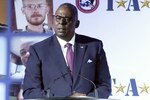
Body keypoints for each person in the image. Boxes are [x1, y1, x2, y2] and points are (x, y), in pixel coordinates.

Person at [23, 3, 111, 99]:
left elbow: (104, 86)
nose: (61, 22)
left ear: (77, 24)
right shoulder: (38, 50)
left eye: (67, 19)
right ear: (53, 20)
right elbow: (30, 91)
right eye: (58, 18)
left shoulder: (93, 46)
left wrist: (87, 98)